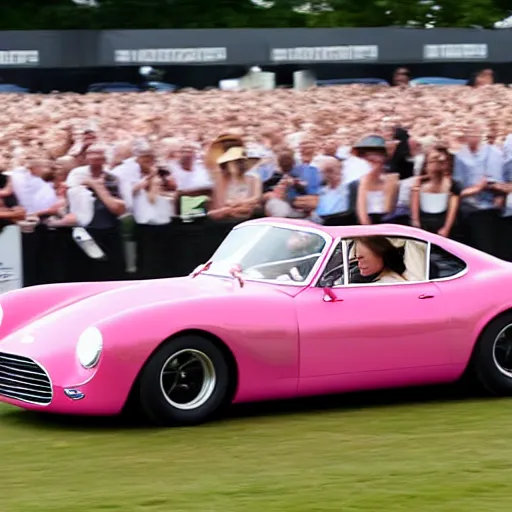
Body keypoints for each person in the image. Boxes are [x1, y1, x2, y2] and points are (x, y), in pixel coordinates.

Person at [410, 147, 461, 237]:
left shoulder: (453, 184)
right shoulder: (419, 182)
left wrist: (446, 228)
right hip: (423, 222)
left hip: (442, 221)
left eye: (440, 162)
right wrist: (416, 223)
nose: (436, 165)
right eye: (432, 162)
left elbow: (452, 209)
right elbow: (415, 204)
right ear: (426, 165)